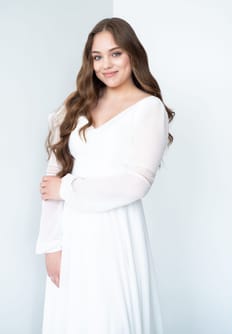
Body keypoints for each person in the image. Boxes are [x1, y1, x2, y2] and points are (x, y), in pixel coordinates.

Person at [36, 17, 174, 334]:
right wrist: (51, 246)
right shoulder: (75, 105)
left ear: (132, 54)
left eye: (115, 54)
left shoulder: (148, 108)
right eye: (97, 57)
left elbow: (136, 184)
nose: (105, 65)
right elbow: (51, 178)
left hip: (116, 233)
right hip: (71, 234)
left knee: (110, 318)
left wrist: (67, 189)